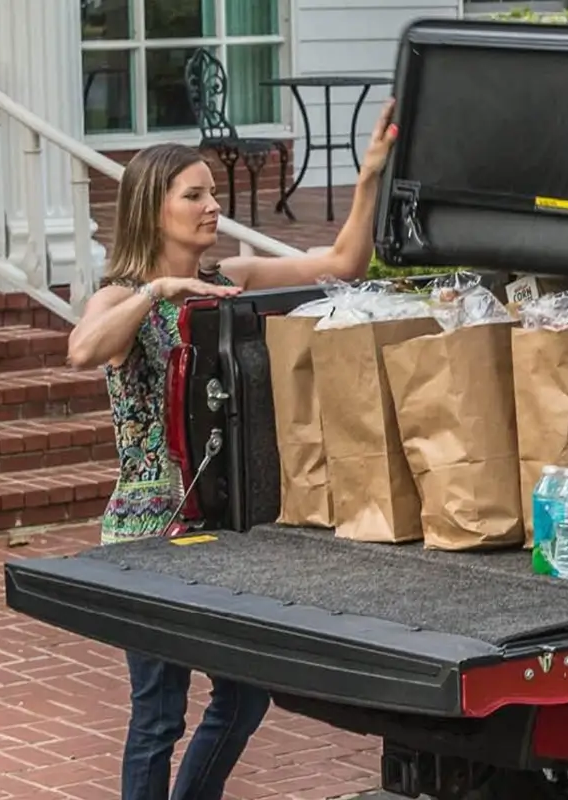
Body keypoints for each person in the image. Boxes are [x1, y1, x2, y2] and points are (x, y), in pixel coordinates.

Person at [66, 101, 397, 800]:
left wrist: (369, 176)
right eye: (196, 195)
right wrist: (157, 290)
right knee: (158, 715)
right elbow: (82, 350)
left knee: (244, 699)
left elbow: (341, 262)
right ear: (154, 208)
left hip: (222, 533)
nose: (213, 206)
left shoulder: (228, 279)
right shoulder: (118, 297)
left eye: (212, 193)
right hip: (146, 533)